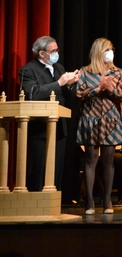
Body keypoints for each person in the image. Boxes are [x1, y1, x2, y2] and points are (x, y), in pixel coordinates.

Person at [76, 38, 122, 214]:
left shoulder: (118, 72)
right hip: (90, 119)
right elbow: (79, 93)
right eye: (107, 49)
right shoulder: (85, 71)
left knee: (109, 161)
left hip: (111, 120)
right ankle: (90, 202)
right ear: (98, 51)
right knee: (91, 160)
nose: (110, 52)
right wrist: (97, 89)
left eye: (112, 49)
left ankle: (107, 201)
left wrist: (109, 89)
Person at [18, 36, 80, 192]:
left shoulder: (59, 68)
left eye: (57, 50)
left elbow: (65, 96)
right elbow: (33, 94)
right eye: (53, 51)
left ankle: (53, 204)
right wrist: (60, 83)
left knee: (56, 169)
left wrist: (70, 84)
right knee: (39, 169)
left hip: (59, 127)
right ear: (41, 54)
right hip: (40, 129)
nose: (56, 53)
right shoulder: (28, 70)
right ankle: (35, 205)